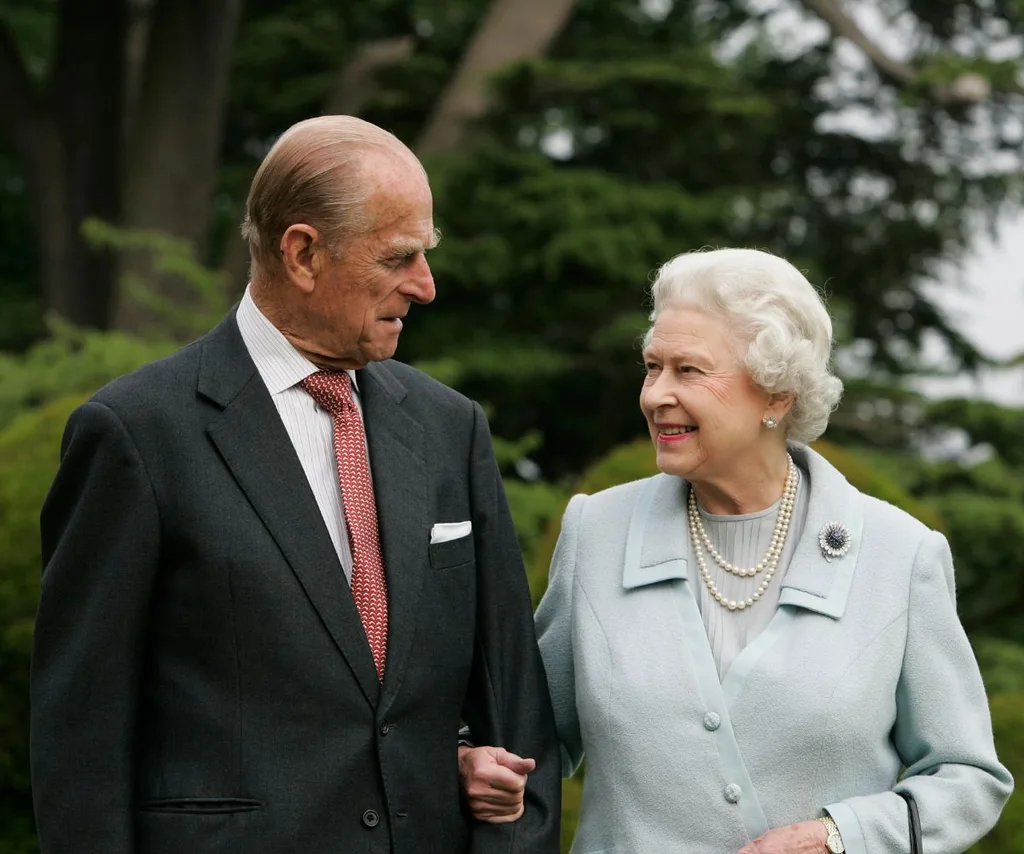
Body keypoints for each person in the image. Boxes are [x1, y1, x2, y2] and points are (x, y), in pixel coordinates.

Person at [31, 115, 560, 854]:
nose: (426, 286)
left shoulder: (451, 428)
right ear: (303, 254)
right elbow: (79, 740)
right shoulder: (135, 434)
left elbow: (516, 710)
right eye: (399, 257)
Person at [458, 248, 1013, 853]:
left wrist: (837, 838)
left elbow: (968, 780)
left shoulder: (899, 555)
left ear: (776, 395)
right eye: (652, 367)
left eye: (689, 371)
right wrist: (476, 760)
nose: (654, 395)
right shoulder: (598, 530)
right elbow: (527, 734)